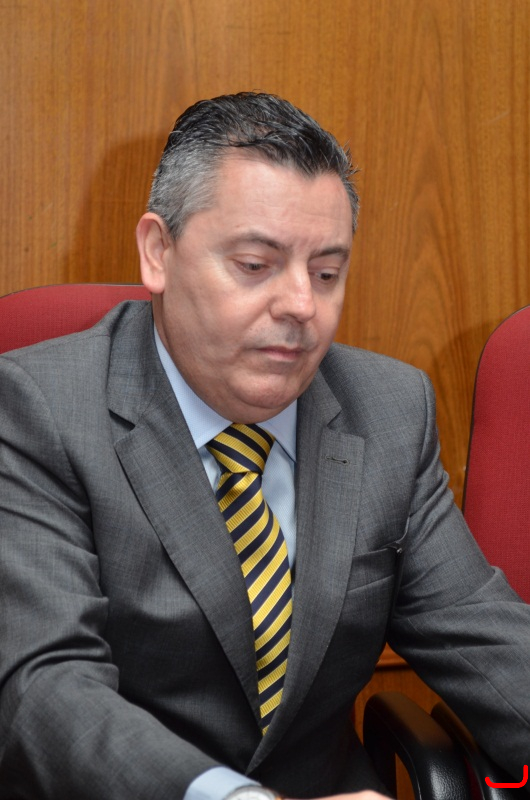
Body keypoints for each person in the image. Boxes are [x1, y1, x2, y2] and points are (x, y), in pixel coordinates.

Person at [0, 92, 529, 800]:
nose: (301, 305)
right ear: (158, 252)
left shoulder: (389, 410)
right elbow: (46, 690)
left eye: (327, 273)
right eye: (255, 264)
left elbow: (483, 637)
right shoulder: (38, 409)